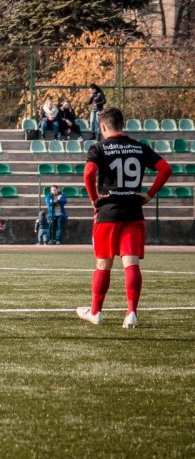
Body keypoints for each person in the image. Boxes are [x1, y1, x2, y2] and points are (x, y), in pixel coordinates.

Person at [76, 107, 173, 328]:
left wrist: (94, 199)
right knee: (132, 264)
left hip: (108, 212)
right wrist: (149, 194)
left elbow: (89, 173)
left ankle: (96, 312)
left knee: (103, 264)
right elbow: (166, 169)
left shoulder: (98, 148)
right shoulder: (139, 147)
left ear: (102, 127)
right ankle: (131, 313)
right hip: (133, 211)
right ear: (123, 124)